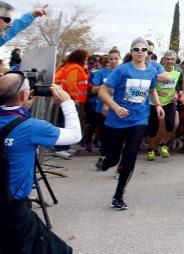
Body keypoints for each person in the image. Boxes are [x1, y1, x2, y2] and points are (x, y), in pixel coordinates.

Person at [0, 72, 80, 253]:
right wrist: (66, 103)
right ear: (23, 96)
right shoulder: (32, 127)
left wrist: (22, 109)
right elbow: (75, 135)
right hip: (14, 211)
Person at [98, 38, 164, 210]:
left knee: (130, 158)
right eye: (136, 49)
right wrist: (115, 107)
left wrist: (157, 105)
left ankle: (118, 196)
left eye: (144, 50)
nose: (140, 52)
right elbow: (103, 92)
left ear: (148, 53)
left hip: (139, 119)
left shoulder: (151, 72)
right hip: (116, 121)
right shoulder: (122, 70)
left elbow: (152, 90)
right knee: (113, 159)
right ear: (131, 52)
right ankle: (107, 162)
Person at [52, 49, 90, 158]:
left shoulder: (67, 66)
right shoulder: (75, 68)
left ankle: (62, 147)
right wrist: (74, 98)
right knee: (66, 123)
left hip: (63, 98)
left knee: (63, 122)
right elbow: (71, 84)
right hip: (69, 99)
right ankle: (61, 148)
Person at [146, 50, 181, 161]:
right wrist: (157, 92)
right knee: (153, 128)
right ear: (163, 60)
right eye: (167, 59)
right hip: (155, 103)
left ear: (175, 60)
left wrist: (176, 94)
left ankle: (163, 145)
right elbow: (149, 85)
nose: (170, 61)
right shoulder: (156, 70)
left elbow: (179, 87)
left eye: (172, 59)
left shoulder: (179, 72)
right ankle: (151, 149)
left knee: (171, 124)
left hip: (169, 102)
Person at [91, 48, 120, 169]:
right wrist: (107, 85)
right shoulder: (101, 72)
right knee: (104, 134)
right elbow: (93, 90)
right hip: (102, 108)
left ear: (120, 59)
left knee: (117, 134)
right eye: (111, 59)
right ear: (108, 60)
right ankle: (103, 156)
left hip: (117, 107)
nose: (113, 61)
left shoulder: (123, 71)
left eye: (116, 59)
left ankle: (116, 159)